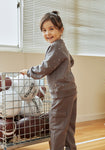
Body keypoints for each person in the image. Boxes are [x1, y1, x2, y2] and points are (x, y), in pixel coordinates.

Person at [20, 11, 77, 150]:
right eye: (44, 30)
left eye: (51, 29)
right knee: (68, 126)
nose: (47, 33)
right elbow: (71, 61)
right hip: (70, 91)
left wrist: (28, 71)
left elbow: (44, 68)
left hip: (61, 94)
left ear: (61, 30)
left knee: (57, 125)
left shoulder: (55, 46)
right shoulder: (61, 45)